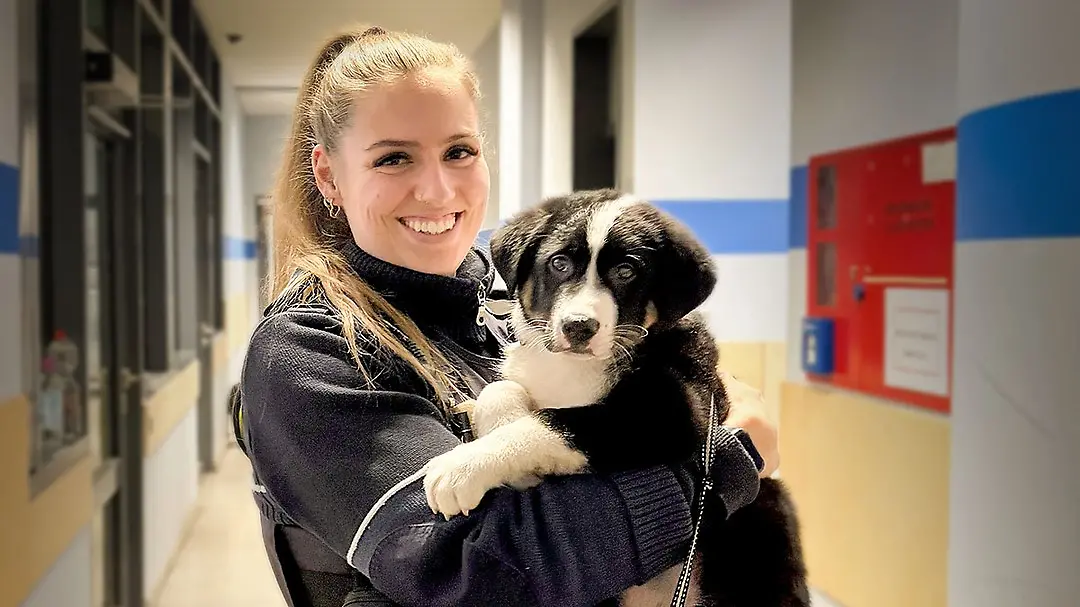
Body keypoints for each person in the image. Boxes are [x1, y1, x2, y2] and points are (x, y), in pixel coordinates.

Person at [236, 24, 781, 607]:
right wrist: (727, 461)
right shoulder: (310, 352)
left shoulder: (498, 305)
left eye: (459, 151)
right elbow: (482, 573)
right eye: (393, 158)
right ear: (328, 175)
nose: (438, 188)